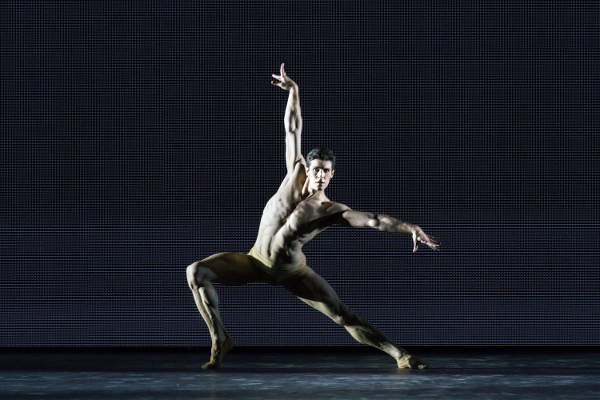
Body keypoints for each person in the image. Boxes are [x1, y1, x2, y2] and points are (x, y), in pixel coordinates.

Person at [186, 64, 440, 370]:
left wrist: (408, 227)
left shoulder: (329, 210)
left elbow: (374, 219)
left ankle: (400, 355)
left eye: (326, 171)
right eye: (316, 168)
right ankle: (221, 339)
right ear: (309, 169)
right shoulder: (293, 172)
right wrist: (294, 91)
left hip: (293, 271)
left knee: (343, 315)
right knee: (196, 272)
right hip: (254, 261)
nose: (320, 175)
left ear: (332, 175)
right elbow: (292, 127)